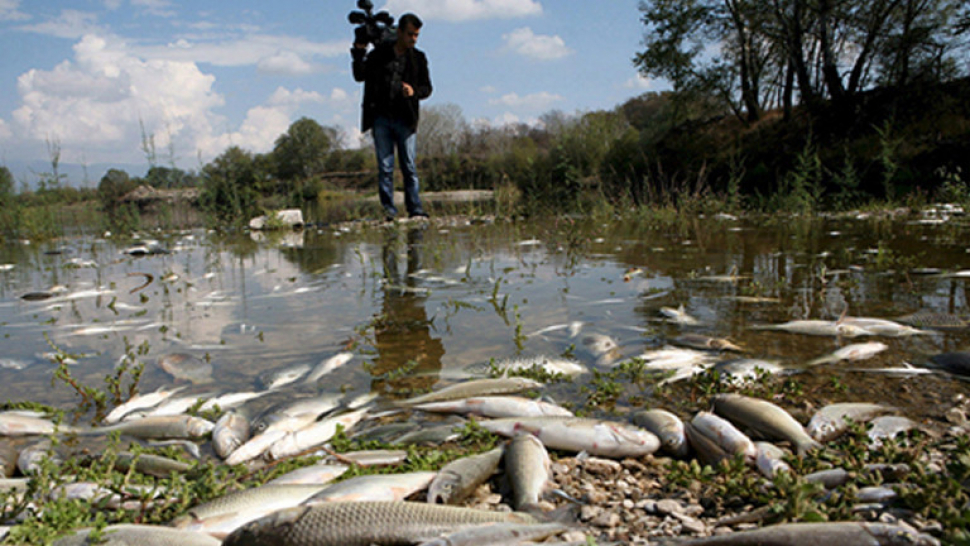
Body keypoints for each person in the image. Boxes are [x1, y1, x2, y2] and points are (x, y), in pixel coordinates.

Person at [351, 12, 432, 222]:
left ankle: (415, 209)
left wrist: (413, 91)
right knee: (385, 168)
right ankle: (389, 211)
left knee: (409, 166)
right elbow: (359, 75)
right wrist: (358, 51)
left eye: (416, 35)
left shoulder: (419, 58)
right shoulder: (379, 55)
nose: (413, 39)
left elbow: (427, 88)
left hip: (406, 118)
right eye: (410, 34)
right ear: (400, 32)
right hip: (381, 118)